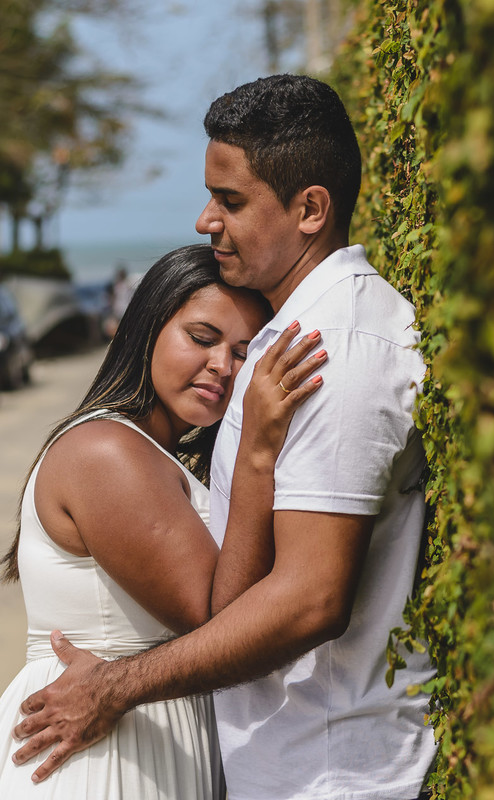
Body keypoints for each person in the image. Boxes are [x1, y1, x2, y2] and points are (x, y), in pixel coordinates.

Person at [12, 75, 435, 799]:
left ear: (310, 209)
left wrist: (117, 686)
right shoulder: (291, 342)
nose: (207, 219)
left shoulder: (337, 350)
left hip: (331, 775)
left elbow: (309, 600)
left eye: (231, 200)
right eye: (202, 337)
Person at [0, 243, 327, 797]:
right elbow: (218, 620)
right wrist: (257, 448)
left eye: (246, 352)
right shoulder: (108, 451)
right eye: (202, 338)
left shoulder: (155, 451)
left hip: (138, 736)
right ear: (146, 327)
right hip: (102, 757)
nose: (222, 366)